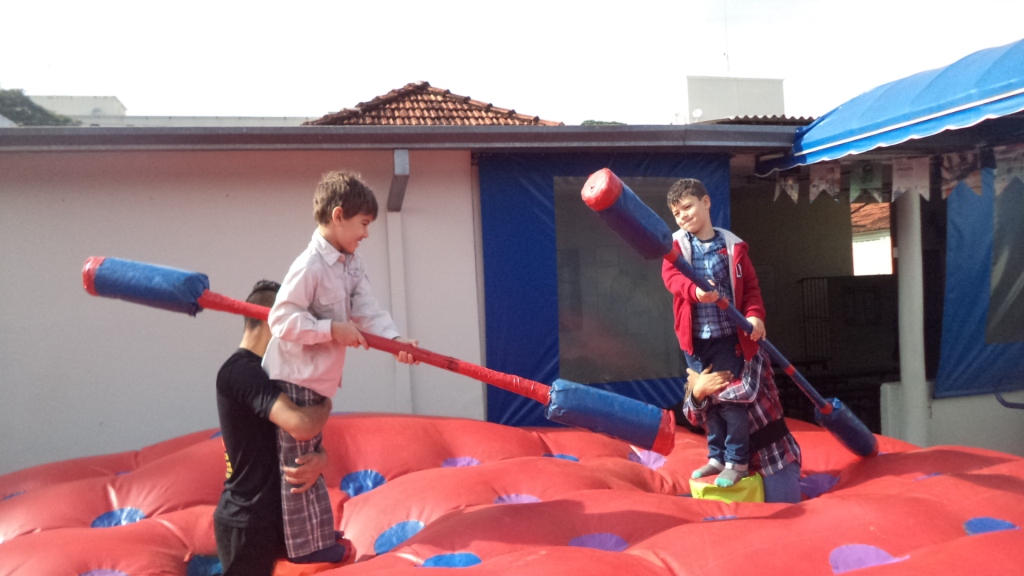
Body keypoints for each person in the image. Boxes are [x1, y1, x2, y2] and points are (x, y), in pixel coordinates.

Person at [262, 170, 418, 564]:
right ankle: (304, 548)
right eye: (363, 224)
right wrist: (331, 329)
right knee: (299, 465)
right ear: (338, 216)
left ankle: (314, 534)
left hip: (317, 380)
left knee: (312, 458)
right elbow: (281, 320)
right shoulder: (310, 265)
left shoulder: (351, 264)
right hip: (294, 377)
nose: (366, 233)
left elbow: (366, 309)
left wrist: (395, 342)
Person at [213, 280, 336, 576]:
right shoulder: (241, 372)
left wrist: (320, 459)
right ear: (272, 319)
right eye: (292, 321)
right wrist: (327, 405)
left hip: (279, 518)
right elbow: (301, 424)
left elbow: (287, 441)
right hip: (247, 521)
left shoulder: (274, 371)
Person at [661, 178, 767, 488]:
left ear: (706, 202)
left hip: (727, 338)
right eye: (677, 213)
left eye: (688, 207)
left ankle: (737, 460)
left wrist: (754, 316)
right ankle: (717, 457)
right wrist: (695, 291)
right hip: (695, 339)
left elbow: (751, 288)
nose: (683, 216)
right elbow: (671, 279)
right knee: (707, 400)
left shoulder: (732, 246)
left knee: (730, 399)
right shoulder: (676, 245)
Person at [682, 349, 802, 503]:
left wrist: (708, 389)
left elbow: (748, 392)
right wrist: (698, 393)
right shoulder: (703, 362)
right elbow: (693, 417)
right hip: (728, 463)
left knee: (783, 512)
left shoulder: (752, 352)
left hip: (772, 456)